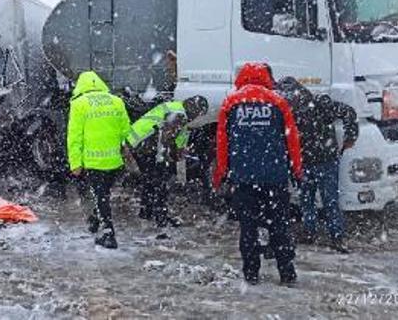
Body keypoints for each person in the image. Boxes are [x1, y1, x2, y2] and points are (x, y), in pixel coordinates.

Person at [214, 63, 303, 286]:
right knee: (279, 225)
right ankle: (287, 272)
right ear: (266, 77)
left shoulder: (231, 103)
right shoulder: (278, 102)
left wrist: (221, 174)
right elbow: (292, 140)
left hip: (244, 180)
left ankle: (251, 273)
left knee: (248, 228)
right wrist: (296, 170)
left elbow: (222, 144)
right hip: (275, 177)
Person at [277, 77, 358, 253]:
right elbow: (348, 112)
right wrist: (350, 135)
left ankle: (319, 233)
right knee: (323, 200)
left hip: (316, 162)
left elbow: (348, 112)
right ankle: (333, 236)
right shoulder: (317, 104)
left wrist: (350, 136)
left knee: (313, 200)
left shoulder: (310, 106)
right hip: (320, 160)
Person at [67, 71, 131, 249]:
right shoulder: (116, 101)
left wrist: (75, 163)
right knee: (103, 195)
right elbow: (125, 131)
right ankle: (95, 220)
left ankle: (109, 234)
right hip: (114, 161)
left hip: (94, 162)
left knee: (100, 196)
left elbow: (74, 137)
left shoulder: (79, 104)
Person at [123, 96, 208, 228]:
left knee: (150, 180)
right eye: (198, 114)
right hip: (143, 144)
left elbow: (179, 148)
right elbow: (164, 140)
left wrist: (181, 173)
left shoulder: (180, 116)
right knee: (158, 181)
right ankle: (160, 217)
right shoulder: (177, 115)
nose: (197, 117)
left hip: (140, 143)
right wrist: (162, 161)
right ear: (195, 111)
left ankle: (146, 212)